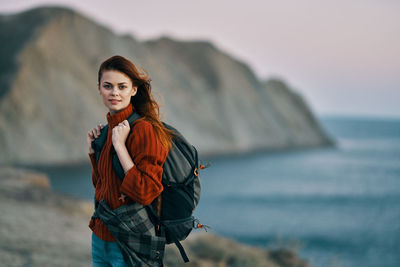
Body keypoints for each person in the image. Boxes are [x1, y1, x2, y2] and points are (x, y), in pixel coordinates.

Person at [86, 55, 175, 266]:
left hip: (129, 239)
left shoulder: (144, 130)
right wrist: (92, 151)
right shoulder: (107, 130)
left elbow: (146, 192)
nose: (114, 92)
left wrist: (120, 147)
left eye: (122, 86)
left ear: (133, 89)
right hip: (100, 237)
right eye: (108, 86)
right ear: (99, 88)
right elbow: (102, 187)